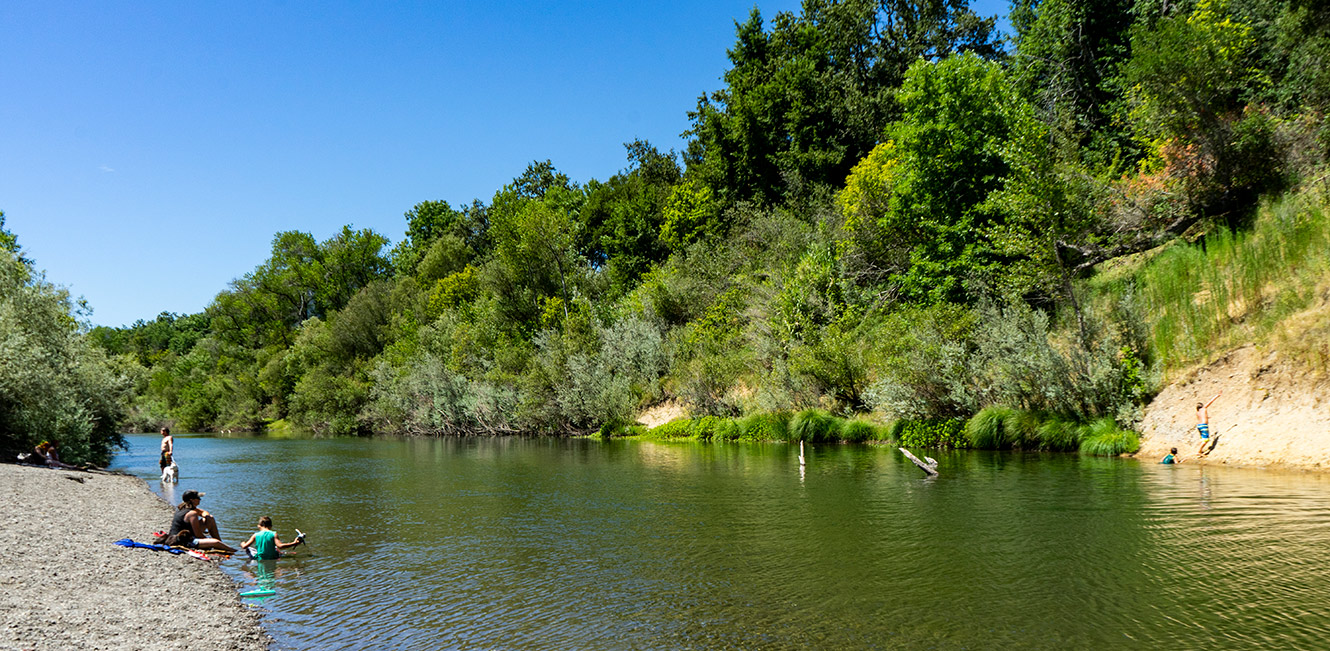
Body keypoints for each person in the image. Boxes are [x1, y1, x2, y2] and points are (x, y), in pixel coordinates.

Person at [169, 490, 236, 552]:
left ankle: (221, 544)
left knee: (210, 519)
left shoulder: (186, 508)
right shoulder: (192, 513)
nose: (200, 500)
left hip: (187, 534)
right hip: (183, 540)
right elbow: (198, 535)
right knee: (215, 542)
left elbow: (204, 512)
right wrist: (208, 540)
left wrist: (206, 517)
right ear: (192, 500)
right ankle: (233, 550)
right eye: (198, 498)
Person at [1196, 391, 1222, 455]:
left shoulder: (1197, 412)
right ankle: (1198, 451)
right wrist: (1217, 395)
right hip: (1203, 426)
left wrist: (1207, 417)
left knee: (1202, 438)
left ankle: (1200, 450)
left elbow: (1201, 418)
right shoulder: (1203, 408)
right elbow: (1211, 401)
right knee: (1206, 440)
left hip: (1199, 426)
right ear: (1201, 406)